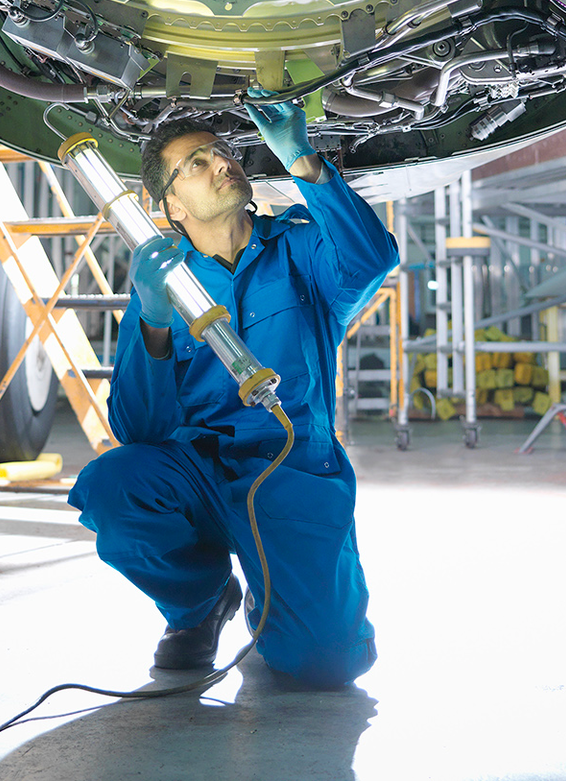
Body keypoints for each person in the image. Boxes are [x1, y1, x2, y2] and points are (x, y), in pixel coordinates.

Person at [68, 94, 398, 688]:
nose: (222, 162)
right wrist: (152, 316)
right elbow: (138, 429)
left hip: (290, 471)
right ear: (168, 204)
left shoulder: (297, 248)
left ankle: (277, 606)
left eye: (221, 151)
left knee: (326, 664)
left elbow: (371, 259)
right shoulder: (163, 284)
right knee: (111, 487)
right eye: (196, 162)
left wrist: (303, 159)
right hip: (198, 474)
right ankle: (203, 602)